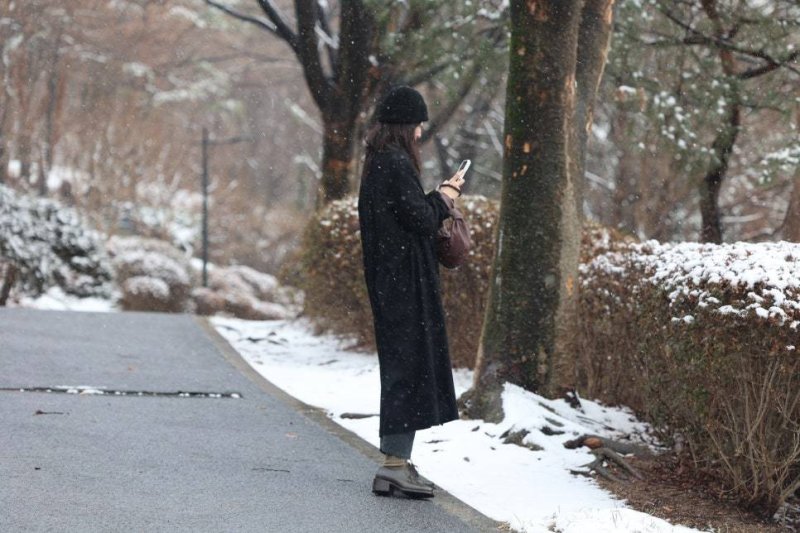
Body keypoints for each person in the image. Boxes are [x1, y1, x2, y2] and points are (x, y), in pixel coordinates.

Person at [357, 86, 466, 499]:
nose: (420, 133)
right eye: (418, 125)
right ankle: (393, 465)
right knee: (407, 370)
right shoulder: (395, 164)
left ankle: (398, 461)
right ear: (406, 127)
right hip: (404, 287)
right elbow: (419, 219)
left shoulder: (377, 164)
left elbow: (403, 216)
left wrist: (433, 199)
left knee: (405, 368)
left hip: (393, 282)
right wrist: (445, 196)